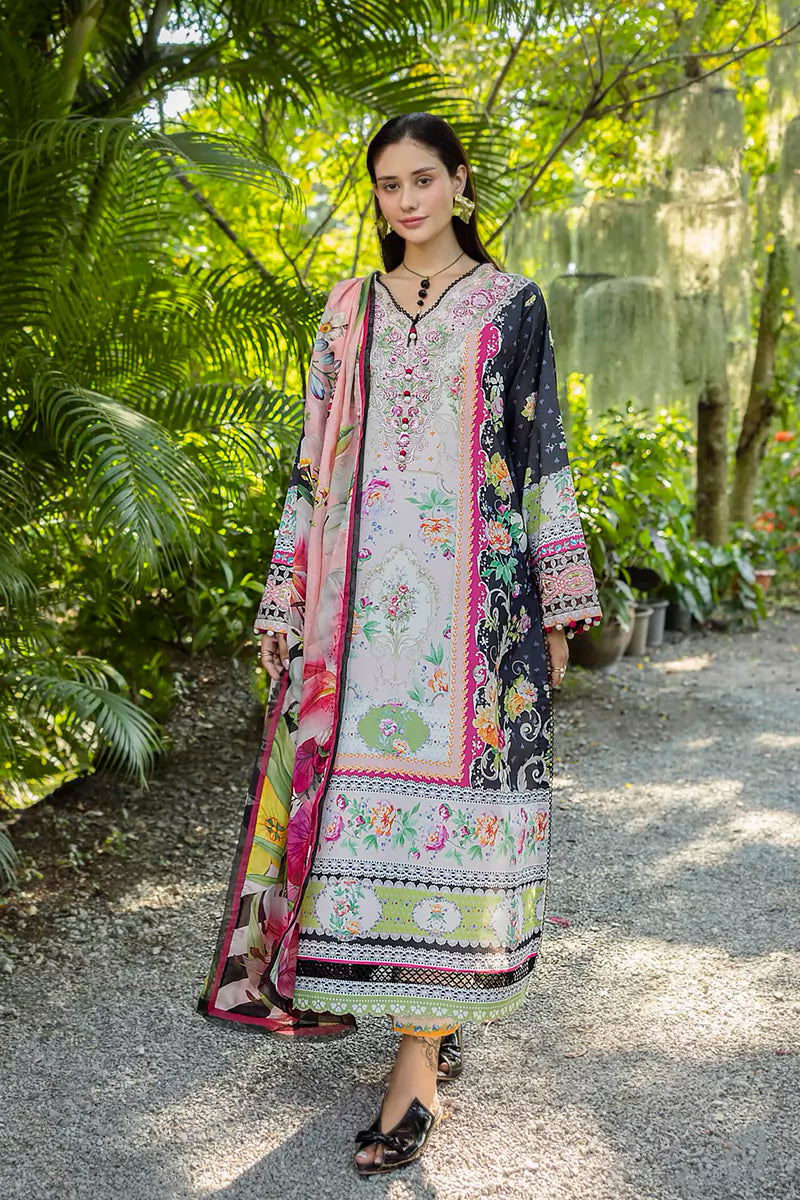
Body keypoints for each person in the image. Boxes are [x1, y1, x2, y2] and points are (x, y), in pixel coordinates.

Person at [197, 112, 602, 1176]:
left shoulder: (510, 304)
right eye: (387, 185)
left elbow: (540, 453)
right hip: (356, 621)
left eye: (423, 179)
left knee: (461, 831)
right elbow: (310, 464)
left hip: (477, 617)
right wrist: (284, 601)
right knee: (354, 827)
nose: (406, 201)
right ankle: (425, 1015)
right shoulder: (347, 310)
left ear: (459, 183)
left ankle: (415, 1063)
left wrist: (556, 603)